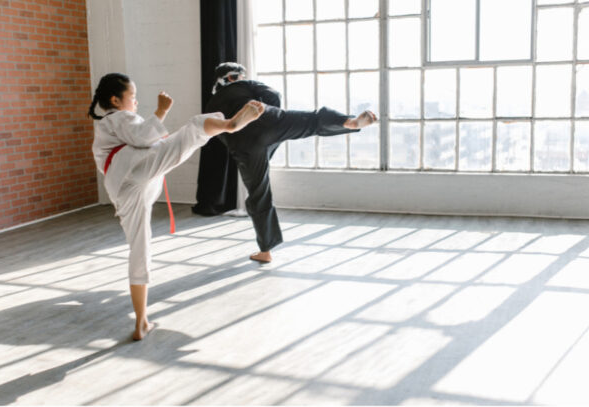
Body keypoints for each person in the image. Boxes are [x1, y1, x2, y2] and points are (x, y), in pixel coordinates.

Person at [89, 72, 264, 340]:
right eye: (132, 97)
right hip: (136, 169)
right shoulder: (118, 117)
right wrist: (161, 111)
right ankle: (229, 124)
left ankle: (141, 322)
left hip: (122, 188)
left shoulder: (104, 128)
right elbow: (143, 137)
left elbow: (139, 142)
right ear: (115, 100)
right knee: (194, 127)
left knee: (140, 247)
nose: (135, 102)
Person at [203, 63, 378, 263]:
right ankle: (349, 122)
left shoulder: (211, 105)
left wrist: (240, 147)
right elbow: (273, 94)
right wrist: (274, 119)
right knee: (312, 121)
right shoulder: (245, 85)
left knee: (259, 192)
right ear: (232, 77)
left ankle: (266, 251)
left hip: (243, 144)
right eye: (241, 75)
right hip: (268, 120)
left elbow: (217, 132)